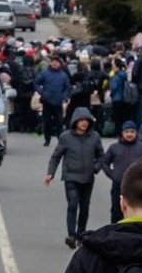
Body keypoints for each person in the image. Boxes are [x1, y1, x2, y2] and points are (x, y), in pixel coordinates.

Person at [45, 107, 104, 249]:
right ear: (75, 122)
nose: (84, 123)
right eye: (81, 120)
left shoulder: (94, 137)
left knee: (84, 208)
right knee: (72, 204)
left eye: (86, 121)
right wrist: (50, 173)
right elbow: (56, 156)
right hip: (71, 177)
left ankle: (80, 234)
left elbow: (101, 156)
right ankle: (71, 235)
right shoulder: (66, 137)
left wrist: (96, 168)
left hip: (88, 178)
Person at [96, 121, 142, 224]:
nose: (129, 134)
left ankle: (132, 236)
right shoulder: (114, 147)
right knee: (116, 212)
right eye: (126, 132)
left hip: (136, 186)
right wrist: (112, 174)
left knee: (134, 212)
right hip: (118, 185)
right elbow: (104, 162)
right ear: (122, 133)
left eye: (132, 132)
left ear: (136, 133)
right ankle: (115, 235)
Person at [34, 55, 72, 148]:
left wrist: (64, 96)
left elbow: (67, 87)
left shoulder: (63, 75)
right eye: (53, 62)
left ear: (60, 64)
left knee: (59, 122)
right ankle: (47, 140)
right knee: (46, 122)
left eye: (57, 62)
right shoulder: (45, 73)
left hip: (58, 102)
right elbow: (36, 83)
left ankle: (60, 140)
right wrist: (42, 92)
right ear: (50, 63)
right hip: (46, 101)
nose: (55, 63)